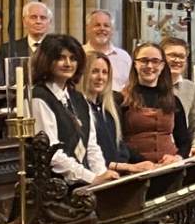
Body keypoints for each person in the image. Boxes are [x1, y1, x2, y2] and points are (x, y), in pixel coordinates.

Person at [29, 33, 116, 187]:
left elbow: (91, 146)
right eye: (61, 58)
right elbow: (51, 153)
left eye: (73, 58)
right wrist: (91, 178)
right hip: (55, 186)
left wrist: (102, 177)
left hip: (83, 184)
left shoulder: (79, 98)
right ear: (47, 61)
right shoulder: (39, 97)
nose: (68, 63)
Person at [120, 43, 192, 162]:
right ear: (135, 64)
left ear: (163, 65)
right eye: (144, 60)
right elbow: (117, 142)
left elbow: (184, 140)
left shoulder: (173, 100)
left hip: (169, 170)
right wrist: (140, 162)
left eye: (155, 61)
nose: (149, 65)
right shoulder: (121, 99)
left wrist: (177, 158)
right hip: (135, 170)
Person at [84, 52, 139, 169]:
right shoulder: (80, 108)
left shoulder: (109, 109)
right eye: (94, 71)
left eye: (105, 72)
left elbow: (120, 148)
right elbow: (89, 156)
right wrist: (124, 167)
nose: (100, 77)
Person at [86, 9, 131, 90]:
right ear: (87, 29)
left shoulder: (124, 57)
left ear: (112, 30)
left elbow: (129, 86)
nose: (102, 29)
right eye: (97, 25)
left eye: (106, 25)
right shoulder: (80, 54)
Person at [163, 37, 195, 123]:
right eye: (172, 55)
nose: (177, 60)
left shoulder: (190, 88)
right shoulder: (150, 84)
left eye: (182, 57)